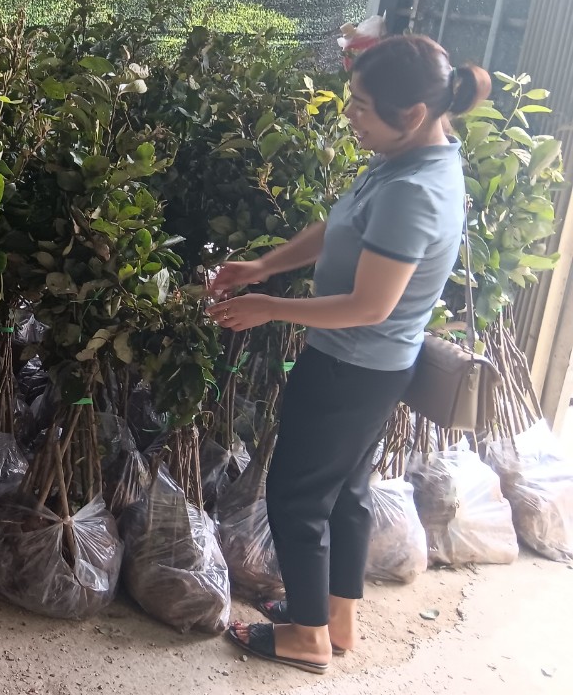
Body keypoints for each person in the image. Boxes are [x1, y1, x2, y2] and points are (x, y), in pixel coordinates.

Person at [205, 35, 490, 675]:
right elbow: (340, 227)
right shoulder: (405, 160)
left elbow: (369, 305)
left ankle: (307, 639)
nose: (351, 116)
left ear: (411, 113)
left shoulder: (415, 190)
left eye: (362, 106)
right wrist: (264, 267)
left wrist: (270, 307)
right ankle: (335, 619)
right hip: (364, 366)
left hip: (351, 367)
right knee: (345, 493)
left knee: (297, 497)